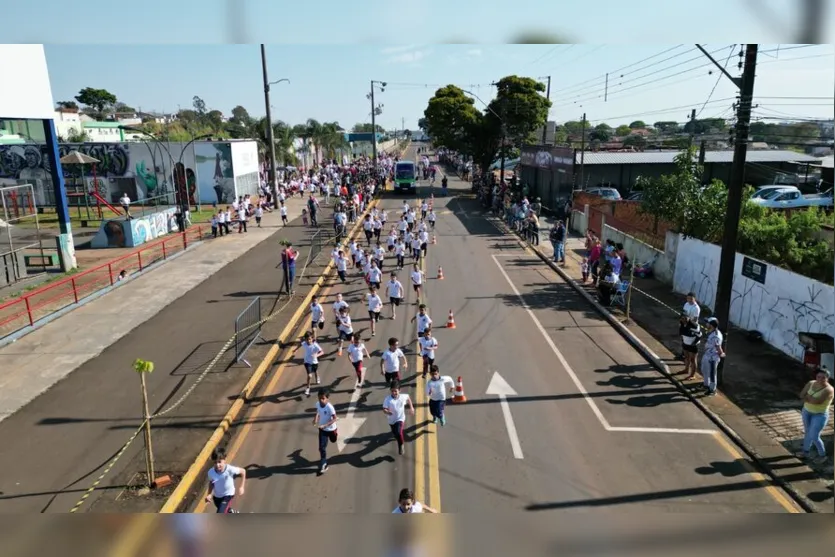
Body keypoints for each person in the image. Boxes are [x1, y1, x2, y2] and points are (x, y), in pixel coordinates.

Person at [798, 367, 833, 464]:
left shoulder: (829, 390)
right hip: (806, 411)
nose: (820, 379)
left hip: (820, 415)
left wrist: (808, 398)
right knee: (807, 432)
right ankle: (805, 452)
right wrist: (809, 398)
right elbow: (801, 395)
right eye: (818, 377)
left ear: (827, 378)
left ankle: (822, 455)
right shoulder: (811, 383)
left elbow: (817, 402)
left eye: (823, 378)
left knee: (814, 436)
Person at [205, 447, 245, 513]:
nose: (217, 465)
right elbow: (212, 482)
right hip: (217, 497)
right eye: (215, 462)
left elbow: (243, 471)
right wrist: (209, 494)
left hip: (228, 495)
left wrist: (242, 487)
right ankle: (231, 512)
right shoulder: (211, 472)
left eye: (219, 462)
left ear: (225, 460)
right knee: (222, 509)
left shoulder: (230, 469)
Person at [382, 380, 414, 456]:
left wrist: (411, 407)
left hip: (400, 418)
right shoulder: (387, 399)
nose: (394, 393)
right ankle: (398, 438)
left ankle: (401, 445)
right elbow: (384, 409)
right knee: (395, 433)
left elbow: (408, 398)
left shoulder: (403, 397)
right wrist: (387, 412)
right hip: (391, 420)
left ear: (399, 390)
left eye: (395, 391)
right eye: (392, 391)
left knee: (399, 432)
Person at [313, 389, 338, 475]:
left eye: (323, 398)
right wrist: (315, 419)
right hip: (322, 430)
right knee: (321, 447)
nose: (321, 400)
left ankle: (335, 434)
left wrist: (326, 425)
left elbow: (335, 418)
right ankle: (324, 464)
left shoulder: (330, 407)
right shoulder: (317, 404)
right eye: (319, 398)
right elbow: (318, 411)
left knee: (333, 440)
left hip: (331, 429)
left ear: (327, 398)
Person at [701, 317, 725, 396]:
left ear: (711, 325)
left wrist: (721, 353)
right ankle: (706, 385)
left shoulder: (716, 336)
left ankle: (712, 390)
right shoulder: (711, 331)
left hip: (712, 357)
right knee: (704, 370)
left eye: (708, 323)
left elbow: (718, 347)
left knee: (712, 374)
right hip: (707, 354)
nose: (706, 324)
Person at [679, 314, 702, 380]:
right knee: (686, 357)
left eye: (686, 318)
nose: (684, 320)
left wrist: (694, 343)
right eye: (682, 318)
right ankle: (686, 370)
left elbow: (700, 335)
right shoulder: (681, 325)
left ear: (689, 318)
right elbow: (681, 334)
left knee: (693, 360)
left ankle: (692, 375)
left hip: (693, 345)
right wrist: (683, 341)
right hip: (685, 343)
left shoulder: (694, 326)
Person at [301, 331, 324, 397]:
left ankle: (317, 377)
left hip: (314, 362)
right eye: (307, 339)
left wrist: (316, 355)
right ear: (305, 339)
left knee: (315, 371)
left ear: (312, 339)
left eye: (310, 339)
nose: (308, 341)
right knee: (309, 375)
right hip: (307, 362)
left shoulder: (315, 345)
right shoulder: (304, 343)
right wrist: (295, 350)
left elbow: (322, 352)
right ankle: (308, 388)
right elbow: (301, 344)